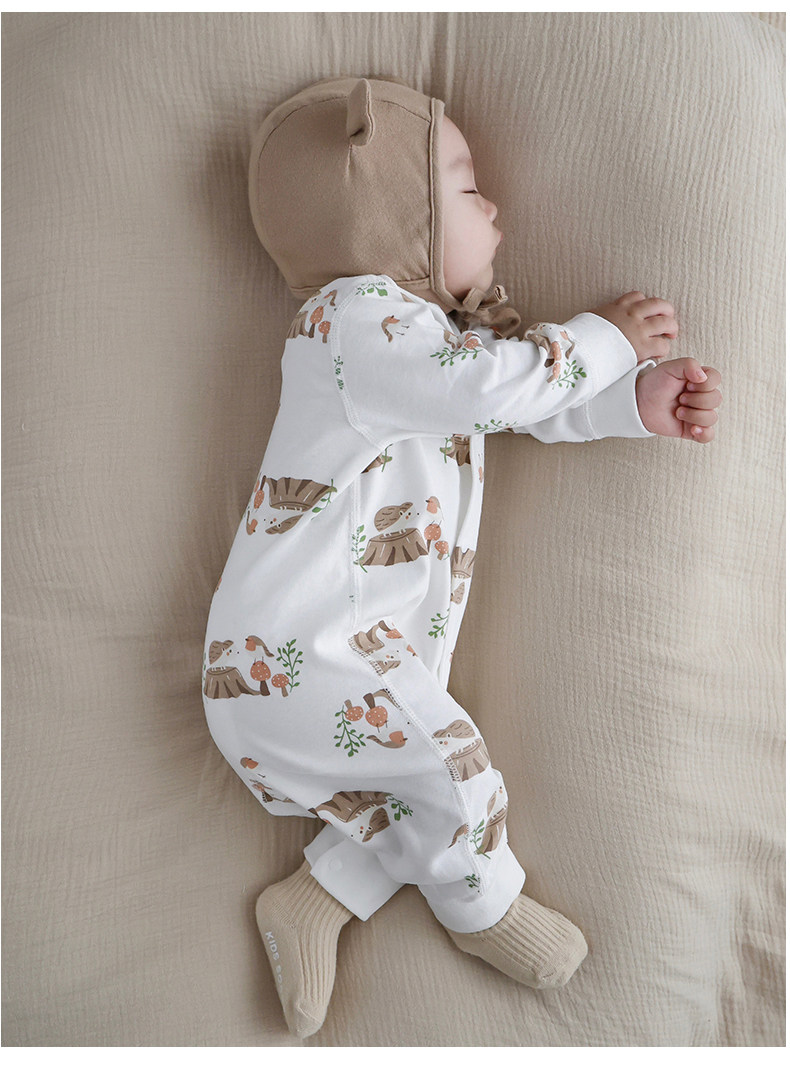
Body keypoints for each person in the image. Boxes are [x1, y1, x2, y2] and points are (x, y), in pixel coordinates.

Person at [202, 76, 722, 1038]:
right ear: (393, 219)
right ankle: (485, 909)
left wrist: (629, 402)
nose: (497, 210)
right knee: (455, 773)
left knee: (408, 798)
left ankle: (315, 897)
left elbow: (508, 405)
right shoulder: (354, 321)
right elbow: (491, 390)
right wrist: (602, 342)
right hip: (298, 654)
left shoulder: (423, 344)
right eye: (468, 189)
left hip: (345, 656)